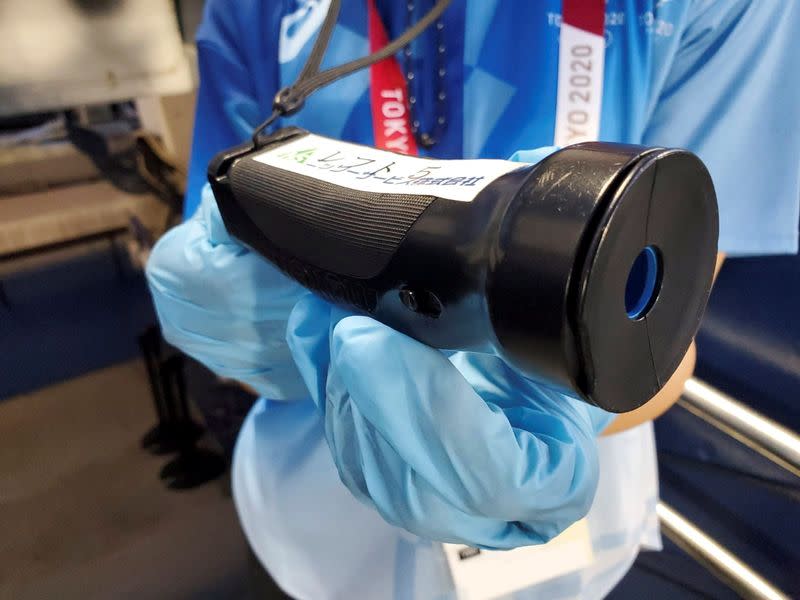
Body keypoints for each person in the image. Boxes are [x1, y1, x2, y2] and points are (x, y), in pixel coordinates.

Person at [146, 1, 800, 598]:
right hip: (315, 518)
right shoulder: (256, 9)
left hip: (561, 537)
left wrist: (567, 407)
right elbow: (221, 232)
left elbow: (664, 328)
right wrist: (244, 332)